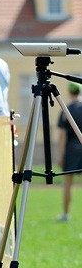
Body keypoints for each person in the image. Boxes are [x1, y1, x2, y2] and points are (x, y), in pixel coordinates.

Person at [56, 82, 82, 221]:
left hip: (71, 151)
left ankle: (66, 215)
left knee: (67, 184)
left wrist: (60, 155)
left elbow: (62, 136)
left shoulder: (66, 110)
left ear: (69, 92)